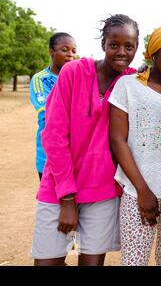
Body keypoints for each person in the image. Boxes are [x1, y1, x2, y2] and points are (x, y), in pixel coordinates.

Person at [31, 14, 139, 266]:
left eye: (129, 46)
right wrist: (67, 199)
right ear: (103, 44)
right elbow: (54, 135)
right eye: (114, 44)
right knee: (48, 262)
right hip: (58, 187)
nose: (121, 52)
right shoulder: (74, 72)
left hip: (102, 190)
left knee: (91, 264)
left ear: (136, 48)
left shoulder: (132, 82)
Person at [109, 26, 161, 266]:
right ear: (153, 54)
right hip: (138, 190)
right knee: (133, 261)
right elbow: (118, 140)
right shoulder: (128, 85)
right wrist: (143, 190)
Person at [29, 32, 77, 180]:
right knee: (52, 202)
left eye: (73, 51)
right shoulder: (40, 79)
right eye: (65, 49)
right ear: (51, 51)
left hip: (76, 154)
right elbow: (47, 115)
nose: (70, 55)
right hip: (48, 156)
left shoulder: (78, 78)